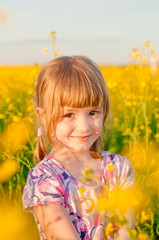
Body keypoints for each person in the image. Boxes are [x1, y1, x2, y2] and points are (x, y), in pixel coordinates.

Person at [22, 56, 135, 240]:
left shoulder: (118, 169)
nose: (84, 126)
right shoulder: (43, 180)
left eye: (93, 112)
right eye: (68, 115)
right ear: (42, 116)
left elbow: (126, 233)